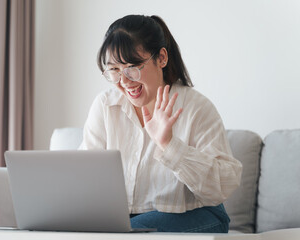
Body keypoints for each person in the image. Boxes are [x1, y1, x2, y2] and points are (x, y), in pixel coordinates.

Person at [79, 15, 242, 233]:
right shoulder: (105, 106)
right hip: (125, 219)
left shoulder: (196, 107)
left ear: (161, 58)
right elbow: (84, 173)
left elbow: (221, 188)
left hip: (196, 215)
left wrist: (169, 145)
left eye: (132, 67)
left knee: (121, 234)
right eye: (115, 70)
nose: (124, 81)